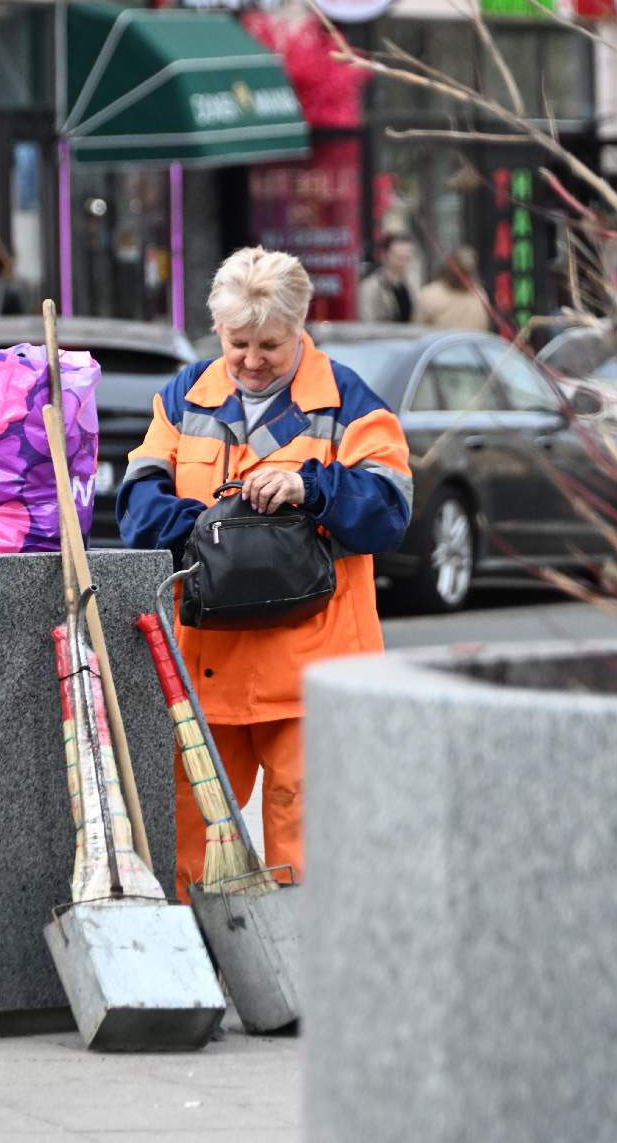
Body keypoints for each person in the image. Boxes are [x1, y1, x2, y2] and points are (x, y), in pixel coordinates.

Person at [117, 247, 412, 900]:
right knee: (188, 845)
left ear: (300, 327)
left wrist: (311, 486)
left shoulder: (351, 403)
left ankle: (311, 989)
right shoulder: (183, 395)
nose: (251, 360)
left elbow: (390, 512)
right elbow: (137, 505)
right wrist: (215, 526)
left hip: (313, 675)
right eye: (237, 343)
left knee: (308, 846)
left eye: (269, 346)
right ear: (218, 332)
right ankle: (200, 976)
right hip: (206, 669)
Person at [414, 245, 491, 331]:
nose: (464, 276)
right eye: (461, 270)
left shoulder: (479, 294)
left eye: (468, 272)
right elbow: (418, 330)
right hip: (442, 343)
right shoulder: (430, 294)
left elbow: (485, 328)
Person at [359, 233, 417, 324]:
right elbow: (367, 321)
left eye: (407, 258)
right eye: (399, 257)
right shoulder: (371, 287)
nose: (403, 262)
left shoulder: (410, 284)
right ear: (385, 255)